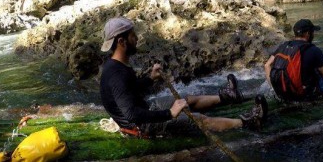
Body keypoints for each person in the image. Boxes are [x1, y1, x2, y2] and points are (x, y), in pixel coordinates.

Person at [99, 17, 268, 138]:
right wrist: (170, 113)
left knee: (187, 100)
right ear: (122, 41)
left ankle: (226, 96)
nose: (136, 38)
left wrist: (150, 78)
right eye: (132, 36)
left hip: (145, 109)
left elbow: (131, 89)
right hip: (141, 126)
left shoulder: (117, 66)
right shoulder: (116, 74)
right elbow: (131, 115)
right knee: (200, 120)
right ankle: (247, 122)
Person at [264, 19, 323, 101]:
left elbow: (267, 65)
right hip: (306, 94)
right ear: (308, 33)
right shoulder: (313, 50)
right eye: (312, 32)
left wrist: (274, 89)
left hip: (284, 92)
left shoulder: (283, 46)